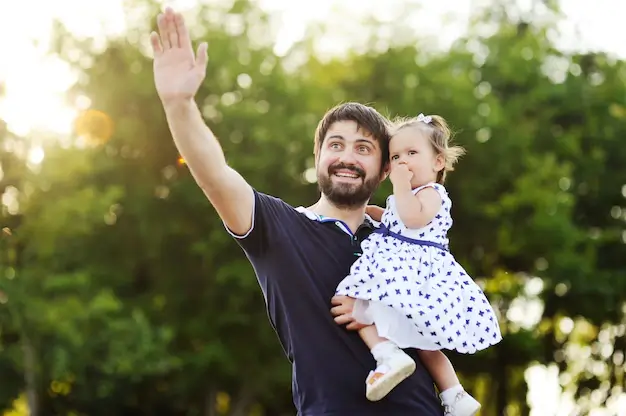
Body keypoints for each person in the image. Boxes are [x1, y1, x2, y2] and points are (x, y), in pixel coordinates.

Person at [149, 6, 444, 416]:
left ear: (384, 169)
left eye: (363, 149)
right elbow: (214, 174)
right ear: (318, 156)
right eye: (335, 144)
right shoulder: (278, 227)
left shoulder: (403, 235)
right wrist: (179, 105)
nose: (347, 157)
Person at [335, 113, 503, 415]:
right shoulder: (409, 196)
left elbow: (412, 219)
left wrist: (399, 187)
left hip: (413, 273)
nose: (402, 162)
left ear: (438, 162)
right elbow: (397, 220)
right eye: (396, 156)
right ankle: (454, 395)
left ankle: (387, 354)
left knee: (356, 300)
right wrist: (374, 214)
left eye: (412, 154)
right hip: (407, 269)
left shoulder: (432, 193)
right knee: (424, 342)